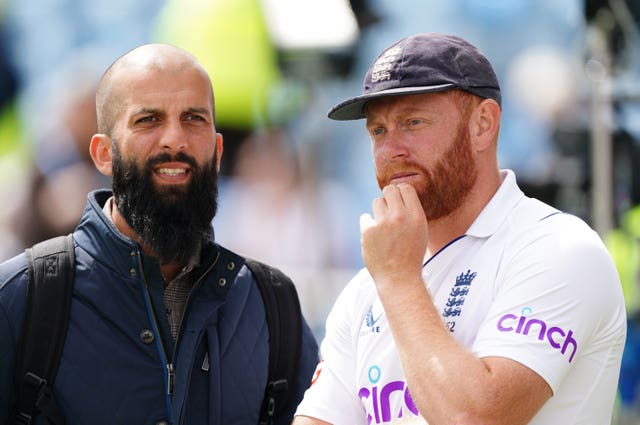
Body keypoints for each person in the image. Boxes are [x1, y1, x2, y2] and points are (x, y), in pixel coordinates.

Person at [293, 33, 626, 425]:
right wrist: (392, 277)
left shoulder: (561, 249)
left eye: (413, 122)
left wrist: (400, 282)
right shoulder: (368, 285)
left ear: (483, 124)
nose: (390, 150)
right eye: (378, 131)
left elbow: (473, 417)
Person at [0, 43, 318, 425]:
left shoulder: (273, 306)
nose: (174, 139)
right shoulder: (23, 298)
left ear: (217, 152)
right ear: (104, 154)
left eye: (193, 119)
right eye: (148, 120)